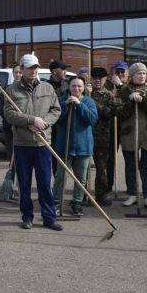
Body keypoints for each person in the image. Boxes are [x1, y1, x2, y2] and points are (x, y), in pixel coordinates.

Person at [4, 53, 62, 231]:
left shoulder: (47, 88)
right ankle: (27, 216)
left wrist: (43, 124)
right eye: (29, 67)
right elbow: (9, 114)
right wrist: (30, 120)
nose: (33, 70)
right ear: (21, 69)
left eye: (35, 67)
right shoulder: (12, 90)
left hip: (43, 143)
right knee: (25, 183)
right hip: (22, 144)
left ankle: (49, 217)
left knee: (45, 183)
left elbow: (56, 110)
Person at [113, 62, 147, 211]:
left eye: (144, 73)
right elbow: (119, 112)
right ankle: (133, 194)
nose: (141, 76)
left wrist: (144, 99)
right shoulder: (123, 91)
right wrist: (129, 99)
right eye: (138, 73)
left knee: (145, 167)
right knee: (131, 167)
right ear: (132, 75)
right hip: (129, 135)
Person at [52, 76, 98, 215]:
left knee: (81, 177)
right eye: (73, 86)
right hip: (64, 145)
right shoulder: (60, 101)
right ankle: (56, 202)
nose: (76, 89)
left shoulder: (89, 101)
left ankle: (77, 202)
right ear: (69, 87)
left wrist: (79, 105)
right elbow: (56, 119)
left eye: (79, 86)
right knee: (61, 175)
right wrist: (66, 105)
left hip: (83, 146)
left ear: (84, 87)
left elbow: (92, 119)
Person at [90, 66, 115, 205]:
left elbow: (109, 113)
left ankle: (101, 194)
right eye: (94, 78)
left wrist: (93, 102)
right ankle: (81, 194)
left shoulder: (109, 95)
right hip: (84, 135)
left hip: (101, 137)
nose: (97, 80)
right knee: (81, 167)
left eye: (100, 78)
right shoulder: (83, 91)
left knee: (101, 168)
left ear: (105, 79)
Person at [104, 61, 129, 195]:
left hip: (126, 128)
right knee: (110, 158)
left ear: (127, 73)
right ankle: (108, 186)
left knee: (129, 159)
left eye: (122, 72)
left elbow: (128, 100)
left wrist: (120, 86)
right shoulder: (108, 85)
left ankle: (131, 188)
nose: (120, 74)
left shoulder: (130, 86)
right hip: (111, 128)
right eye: (117, 72)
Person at [0, 65, 23, 159]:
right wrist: (9, 117)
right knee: (11, 154)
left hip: (23, 126)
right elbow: (0, 106)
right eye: (16, 72)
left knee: (21, 155)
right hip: (9, 125)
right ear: (13, 74)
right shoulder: (6, 89)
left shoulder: (27, 89)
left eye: (20, 72)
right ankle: (12, 172)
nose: (18, 74)